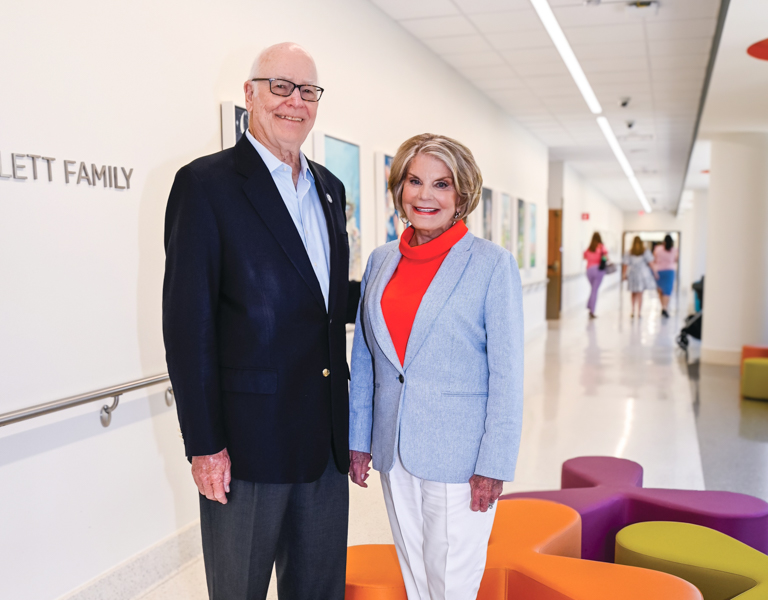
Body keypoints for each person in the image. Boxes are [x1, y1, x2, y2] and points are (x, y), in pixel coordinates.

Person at [162, 43, 356, 600]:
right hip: (245, 450)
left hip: (323, 446)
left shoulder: (328, 187)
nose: (295, 102)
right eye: (280, 87)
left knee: (319, 591)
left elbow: (322, 302)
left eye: (308, 91)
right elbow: (186, 324)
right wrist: (204, 444)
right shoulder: (206, 185)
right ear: (249, 95)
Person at [349, 133, 524, 600]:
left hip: (461, 457)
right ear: (399, 188)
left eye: (442, 184)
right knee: (416, 574)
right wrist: (359, 438)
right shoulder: (381, 261)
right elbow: (366, 357)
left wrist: (494, 463)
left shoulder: (492, 265)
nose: (426, 195)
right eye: (415, 181)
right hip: (393, 447)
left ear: (462, 195)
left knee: (451, 582)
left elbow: (508, 376)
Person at [622, 236, 655, 318]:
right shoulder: (645, 251)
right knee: (640, 294)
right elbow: (651, 263)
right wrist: (655, 273)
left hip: (632, 274)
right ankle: (639, 312)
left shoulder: (629, 252)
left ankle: (633, 310)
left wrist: (624, 274)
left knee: (633, 293)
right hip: (641, 275)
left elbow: (625, 264)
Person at [651, 234, 679, 318]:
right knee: (667, 290)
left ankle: (663, 306)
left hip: (659, 271)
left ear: (664, 241)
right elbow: (675, 260)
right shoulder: (674, 250)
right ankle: (665, 308)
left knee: (660, 290)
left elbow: (654, 259)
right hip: (670, 271)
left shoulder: (658, 249)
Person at [583, 232, 608, 319]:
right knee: (595, 291)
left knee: (593, 289)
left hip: (589, 270)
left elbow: (584, 257)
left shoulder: (589, 248)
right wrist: (602, 259)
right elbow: (605, 257)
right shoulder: (601, 247)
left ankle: (589, 306)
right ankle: (592, 310)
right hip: (598, 270)